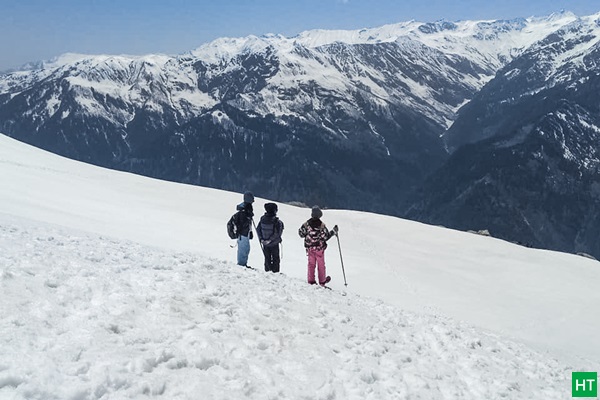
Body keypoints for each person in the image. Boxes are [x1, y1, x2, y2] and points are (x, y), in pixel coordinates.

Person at [298, 206, 338, 286]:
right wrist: (333, 232)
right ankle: (322, 281)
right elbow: (325, 237)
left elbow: (301, 234)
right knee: (321, 265)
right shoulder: (321, 226)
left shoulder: (306, 224)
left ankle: (311, 281)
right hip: (319, 248)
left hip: (309, 248)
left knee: (311, 264)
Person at [227, 191, 255, 268]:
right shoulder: (245, 211)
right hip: (243, 233)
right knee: (244, 249)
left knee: (245, 248)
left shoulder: (244, 209)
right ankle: (241, 264)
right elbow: (244, 223)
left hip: (244, 233)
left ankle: (243, 264)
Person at [256, 202, 284, 273]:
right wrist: (270, 240)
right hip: (274, 244)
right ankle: (275, 273)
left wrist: (261, 239)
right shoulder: (277, 221)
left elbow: (258, 229)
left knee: (267, 258)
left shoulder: (262, 219)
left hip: (265, 243)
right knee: (275, 259)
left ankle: (267, 272)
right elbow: (277, 233)